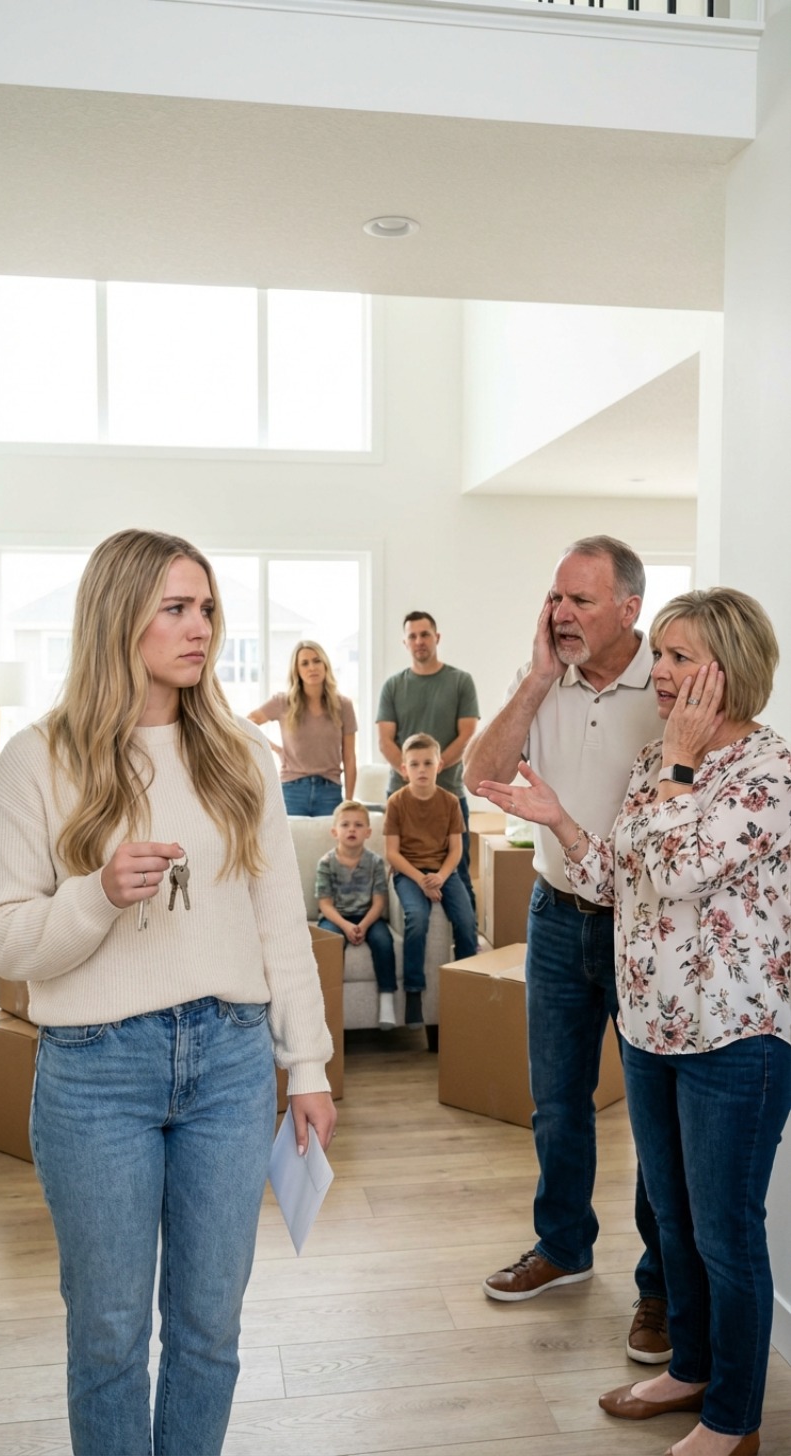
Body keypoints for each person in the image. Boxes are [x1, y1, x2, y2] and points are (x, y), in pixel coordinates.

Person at [0, 529, 337, 1456]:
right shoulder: (37, 759)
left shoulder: (239, 757)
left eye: (207, 608)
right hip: (95, 1076)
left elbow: (276, 928)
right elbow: (3, 939)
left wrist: (308, 1067)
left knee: (210, 1330)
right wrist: (95, 894)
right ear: (118, 616)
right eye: (176, 609)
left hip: (228, 1062)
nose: (201, 630)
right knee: (107, 1335)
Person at [478, 586, 791, 1456]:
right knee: (676, 1218)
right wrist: (560, 822)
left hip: (735, 1041)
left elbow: (685, 870)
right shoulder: (660, 758)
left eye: (679, 657)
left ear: (729, 670)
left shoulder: (772, 772)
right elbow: (623, 879)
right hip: (652, 1030)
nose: (659, 672)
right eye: (659, 654)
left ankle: (733, 1420)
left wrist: (680, 765)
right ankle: (689, 1368)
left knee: (727, 1233)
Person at [464, 535, 669, 1363]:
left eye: (581, 601)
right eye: (556, 598)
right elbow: (477, 775)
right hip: (555, 915)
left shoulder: (667, 685)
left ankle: (659, 1289)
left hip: (642, 925)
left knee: (655, 1119)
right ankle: (563, 1247)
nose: (561, 613)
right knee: (556, 1100)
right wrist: (537, 677)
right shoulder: (542, 680)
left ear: (630, 609)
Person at [377, 611, 479, 909]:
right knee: (405, 876)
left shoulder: (461, 681)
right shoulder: (393, 686)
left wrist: (434, 768)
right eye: (412, 636)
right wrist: (411, 773)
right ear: (404, 642)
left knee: (459, 872)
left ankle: (469, 942)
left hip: (449, 792)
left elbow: (468, 733)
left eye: (425, 634)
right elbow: (385, 740)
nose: (419, 641)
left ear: (437, 637)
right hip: (401, 793)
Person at [384, 733, 478, 1027]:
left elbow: (456, 850)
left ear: (440, 765)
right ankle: (414, 992)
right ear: (404, 769)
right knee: (417, 918)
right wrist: (421, 880)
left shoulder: (450, 802)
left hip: (442, 872)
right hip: (409, 873)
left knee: (466, 921)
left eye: (427, 763)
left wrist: (439, 877)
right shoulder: (396, 802)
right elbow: (392, 853)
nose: (421, 769)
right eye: (414, 764)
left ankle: (466, 987)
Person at [249, 639, 356, 816]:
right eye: (304, 663)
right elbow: (248, 723)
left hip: (330, 790)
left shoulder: (343, 705)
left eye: (316, 661)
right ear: (297, 670)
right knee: (291, 843)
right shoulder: (283, 702)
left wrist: (350, 802)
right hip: (292, 790)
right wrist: (275, 749)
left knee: (327, 843)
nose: (312, 667)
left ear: (325, 665)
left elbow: (350, 757)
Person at [316, 799, 398, 1029]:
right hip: (336, 918)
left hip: (368, 916)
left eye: (358, 825)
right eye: (345, 825)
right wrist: (346, 926)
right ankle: (328, 1003)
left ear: (368, 832)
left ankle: (387, 1000)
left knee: (383, 941)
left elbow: (379, 902)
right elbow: (325, 904)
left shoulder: (375, 862)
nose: (352, 829)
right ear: (335, 831)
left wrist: (363, 925)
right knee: (329, 944)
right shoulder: (326, 863)